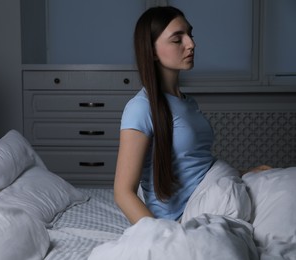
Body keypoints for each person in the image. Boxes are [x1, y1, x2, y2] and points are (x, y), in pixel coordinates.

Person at [114, 6, 271, 225]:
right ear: (152, 50)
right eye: (177, 39)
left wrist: (244, 172)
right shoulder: (140, 108)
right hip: (181, 219)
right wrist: (161, 236)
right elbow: (123, 192)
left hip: (207, 197)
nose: (191, 44)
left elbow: (195, 164)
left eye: (190, 34)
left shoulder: (187, 102)